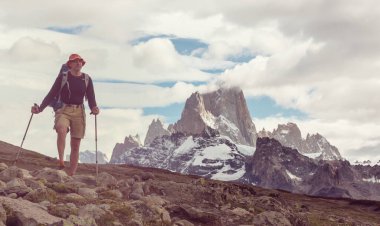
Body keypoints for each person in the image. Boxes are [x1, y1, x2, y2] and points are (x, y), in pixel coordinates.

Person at [31, 54, 99, 176]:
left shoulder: (87, 79)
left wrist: (94, 108)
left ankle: (71, 174)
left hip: (79, 112)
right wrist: (40, 108)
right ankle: (61, 161)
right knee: (61, 129)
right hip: (64, 110)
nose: (79, 63)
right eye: (75, 61)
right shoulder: (64, 77)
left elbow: (91, 97)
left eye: (80, 61)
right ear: (70, 64)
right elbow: (51, 94)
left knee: (75, 144)